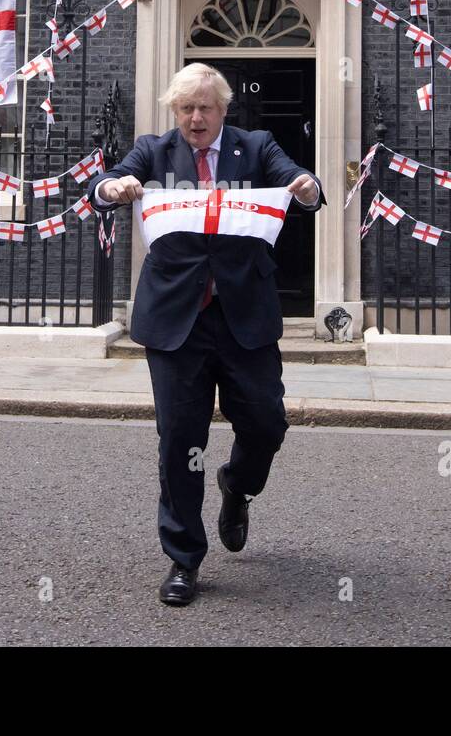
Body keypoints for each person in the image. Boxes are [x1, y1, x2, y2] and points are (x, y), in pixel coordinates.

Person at [88, 63, 325, 606]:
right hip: (176, 320)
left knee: (266, 422)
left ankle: (237, 486)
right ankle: (183, 560)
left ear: (224, 109)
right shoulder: (153, 150)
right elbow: (104, 188)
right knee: (179, 441)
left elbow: (303, 185)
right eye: (185, 108)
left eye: (205, 107)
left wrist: (305, 187)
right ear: (175, 111)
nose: (195, 118)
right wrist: (116, 185)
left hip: (245, 315)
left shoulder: (257, 145)